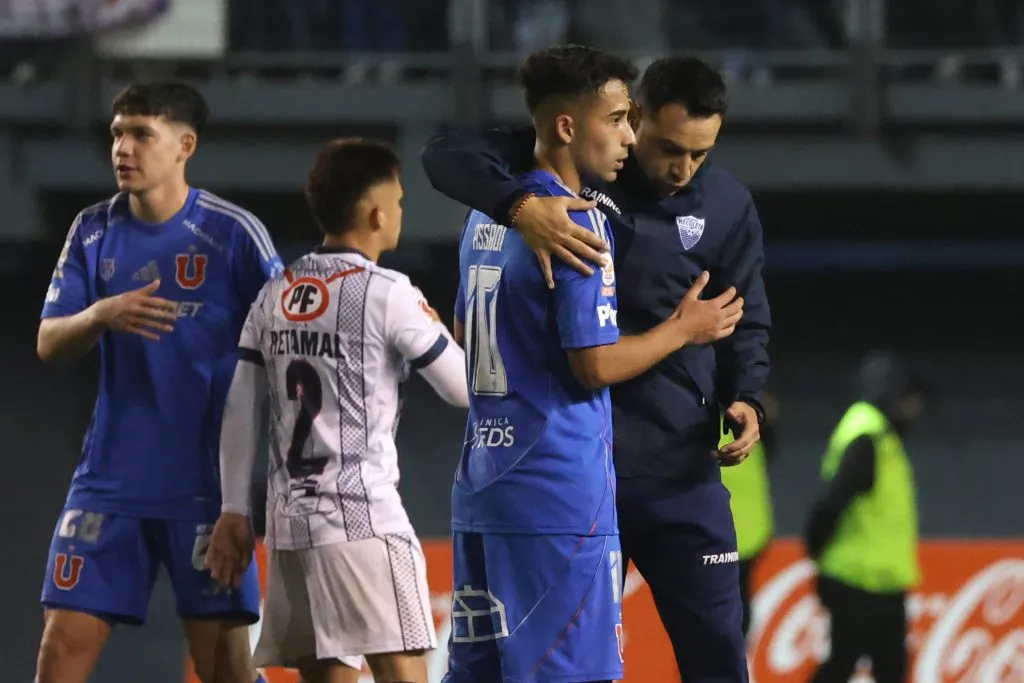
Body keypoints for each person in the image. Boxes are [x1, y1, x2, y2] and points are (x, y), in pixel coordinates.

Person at [422, 55, 770, 681]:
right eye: (659, 141)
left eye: (701, 154)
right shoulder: (566, 212)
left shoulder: (486, 218)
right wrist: (522, 205)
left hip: (530, 474)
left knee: (482, 670)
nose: (678, 165)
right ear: (630, 115)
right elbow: (593, 364)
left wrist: (747, 395)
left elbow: (746, 314)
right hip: (569, 479)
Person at [35, 82, 282, 683]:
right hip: (108, 483)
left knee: (223, 667)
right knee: (58, 652)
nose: (123, 146)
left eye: (142, 133)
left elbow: (289, 342)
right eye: (117, 132)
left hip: (203, 488)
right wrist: (100, 314)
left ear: (184, 146)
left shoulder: (233, 233)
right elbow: (48, 343)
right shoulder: (92, 230)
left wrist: (251, 492)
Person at [206, 138, 469, 683]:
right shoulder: (388, 292)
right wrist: (456, 337)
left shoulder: (276, 293)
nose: (400, 213)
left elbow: (240, 404)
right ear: (375, 212)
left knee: (327, 674)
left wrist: (234, 507)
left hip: (289, 526)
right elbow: (464, 389)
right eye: (397, 203)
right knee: (403, 672)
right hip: (363, 518)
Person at [805, 351, 926, 683]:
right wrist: (817, 550)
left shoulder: (877, 435)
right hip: (858, 581)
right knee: (849, 666)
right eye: (911, 398)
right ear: (892, 393)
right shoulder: (868, 437)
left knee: (878, 667)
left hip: (878, 581)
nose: (916, 407)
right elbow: (831, 502)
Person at [719, 392, 779, 637]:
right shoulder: (707, 421)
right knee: (721, 623)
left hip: (744, 540)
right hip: (721, 541)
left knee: (735, 619)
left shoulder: (751, 423)